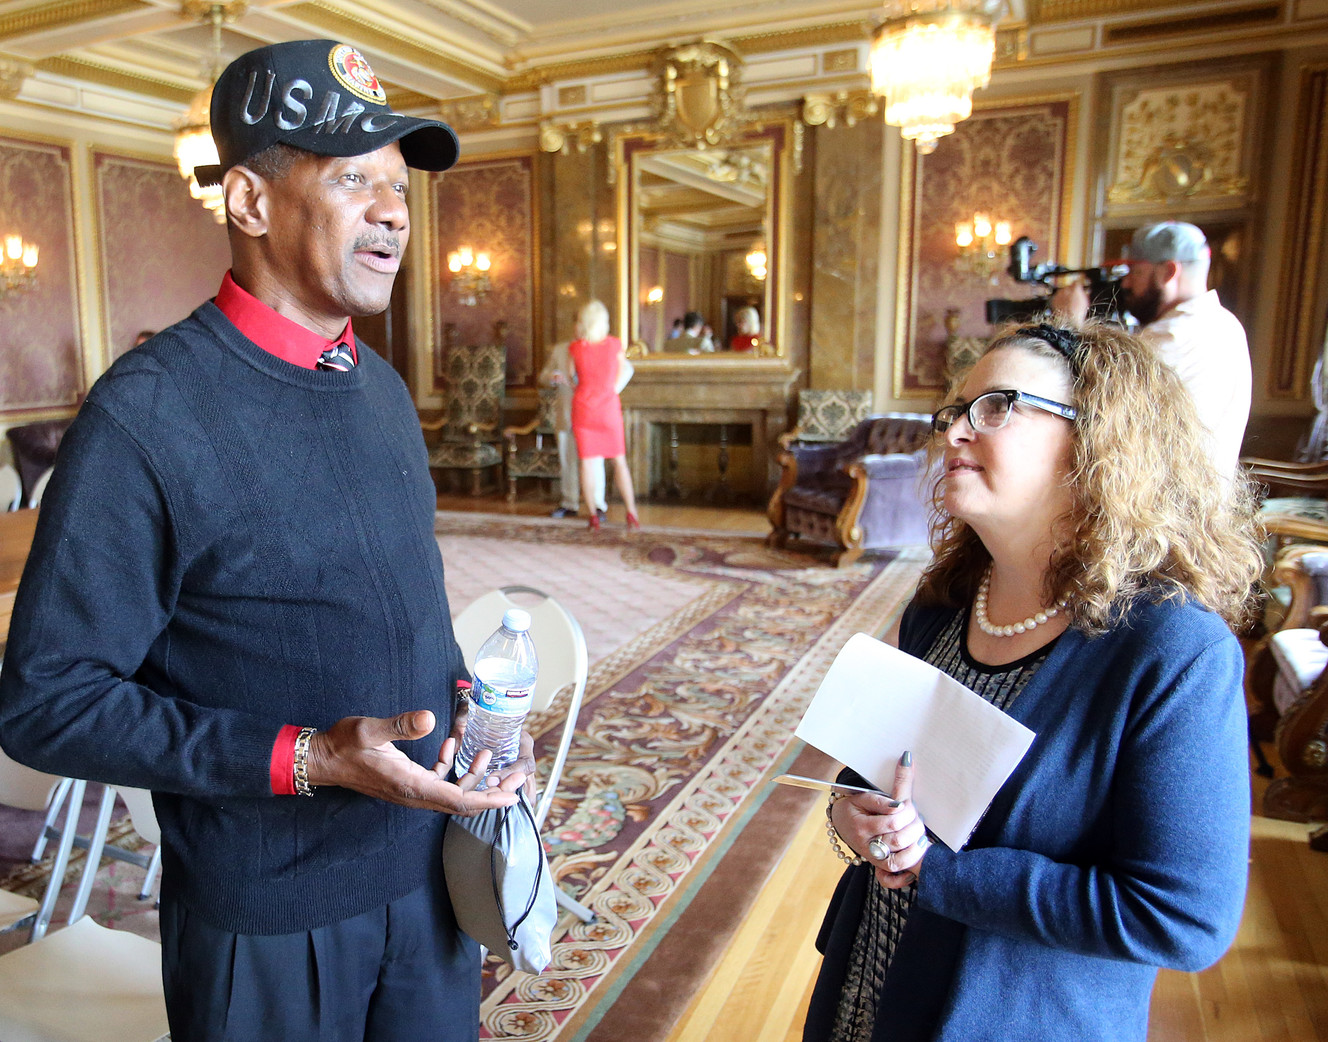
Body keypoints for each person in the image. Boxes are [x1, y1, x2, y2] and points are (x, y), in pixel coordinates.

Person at [0, 39, 530, 1042]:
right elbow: (46, 704)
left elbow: (401, 599)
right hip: (266, 916)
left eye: (398, 187)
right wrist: (310, 758)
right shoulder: (148, 415)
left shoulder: (376, 387)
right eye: (351, 180)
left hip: (427, 879)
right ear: (248, 202)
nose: (391, 213)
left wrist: (473, 708)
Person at [804, 320, 1261, 1042]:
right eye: (954, 411)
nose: (953, 432)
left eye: (996, 406)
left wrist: (939, 872)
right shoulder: (944, 602)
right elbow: (883, 773)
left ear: (1099, 442)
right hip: (873, 988)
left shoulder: (1174, 651)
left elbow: (1184, 918)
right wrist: (850, 812)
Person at [1052, 221, 1250, 477]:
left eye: (1135, 272)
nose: (1126, 284)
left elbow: (1096, 401)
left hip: (1166, 500)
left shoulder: (1175, 333)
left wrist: (1070, 323)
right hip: (1197, 496)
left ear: (1168, 271)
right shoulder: (1225, 323)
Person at [568, 299, 640, 531]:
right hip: (608, 409)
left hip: (584, 410)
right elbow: (623, 371)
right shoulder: (614, 345)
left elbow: (572, 378)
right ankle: (632, 513)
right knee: (620, 462)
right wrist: (611, 389)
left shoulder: (576, 348)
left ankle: (593, 516)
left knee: (587, 465)